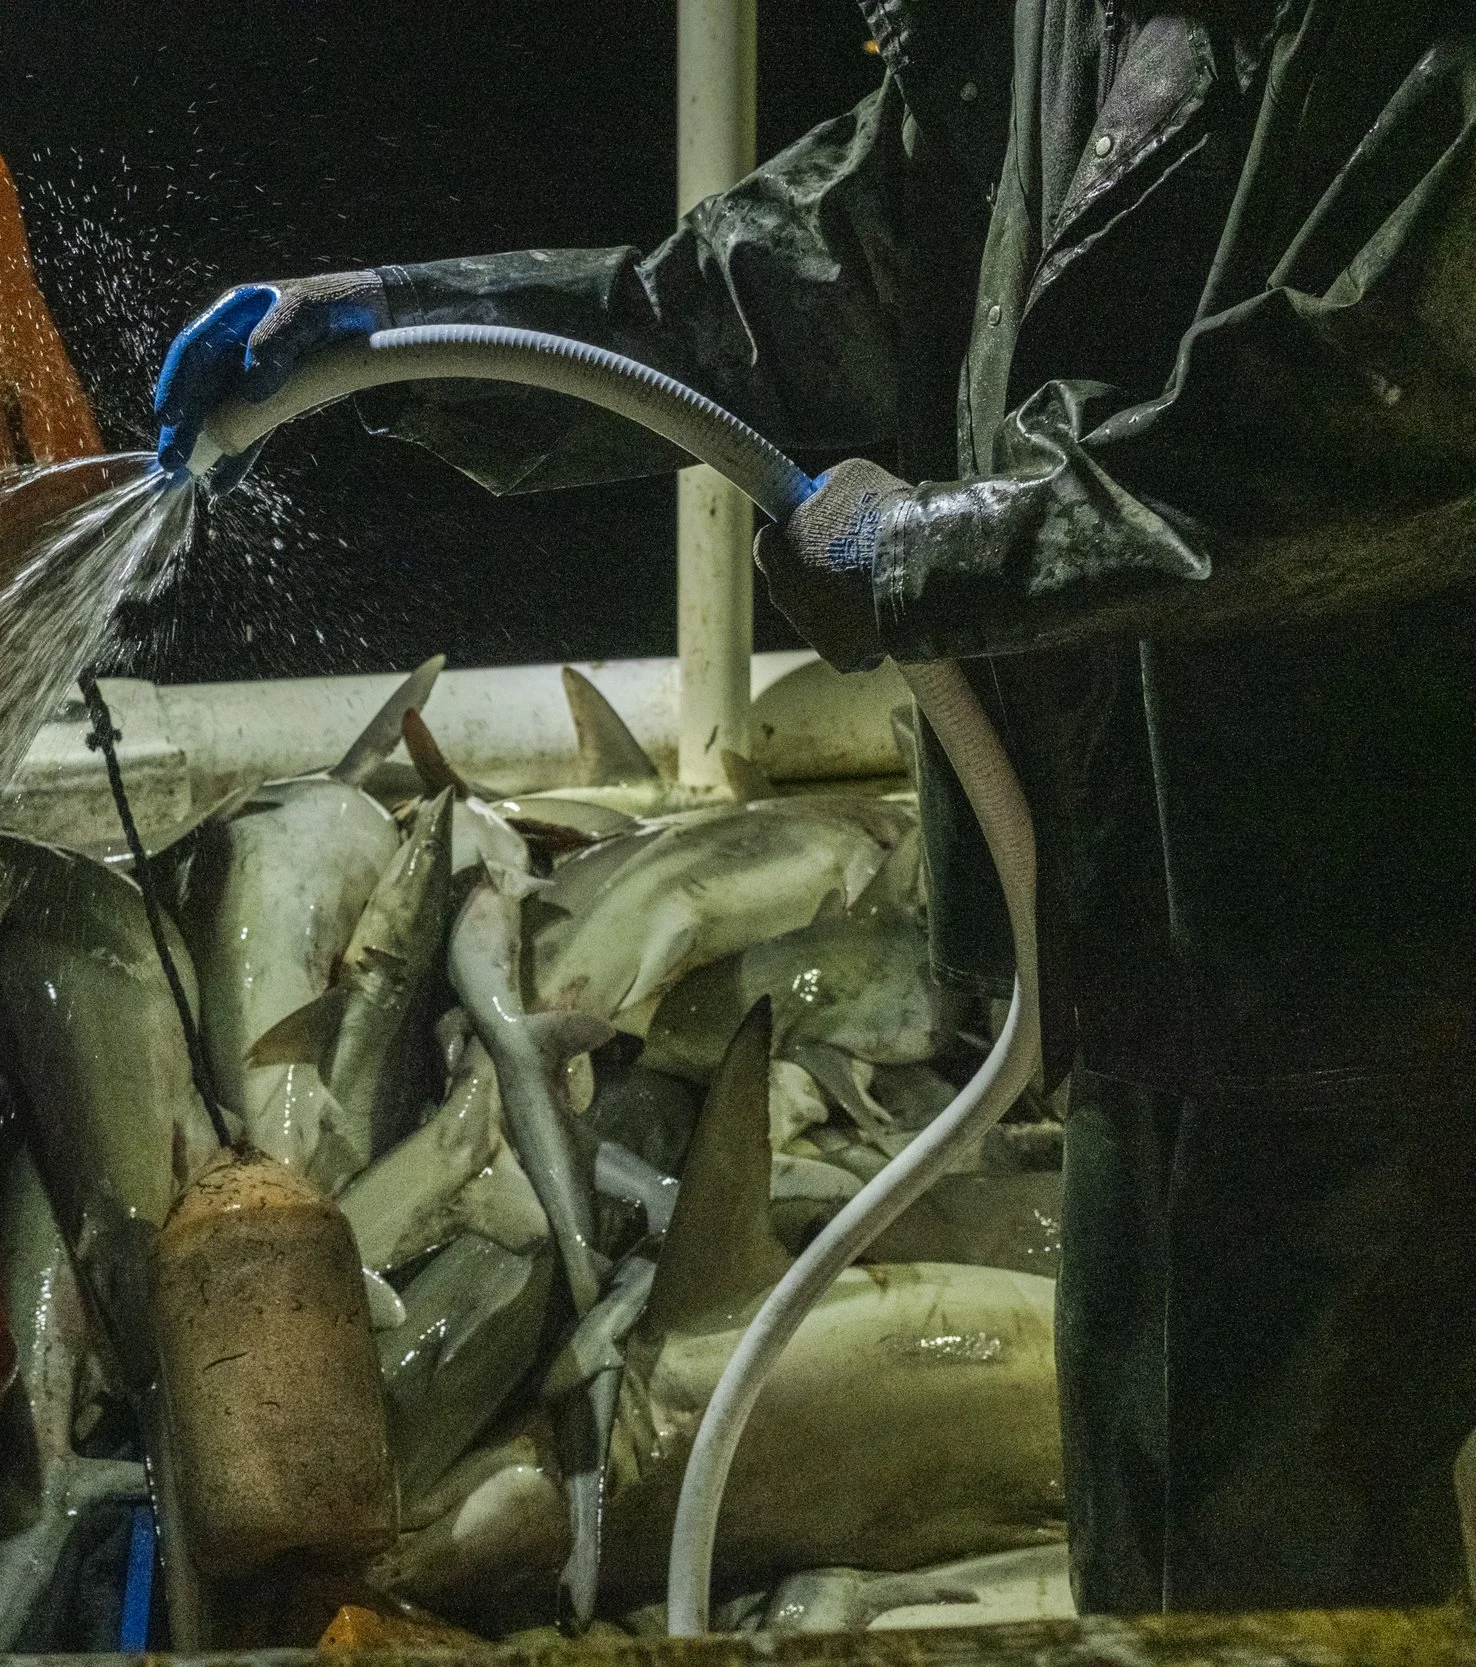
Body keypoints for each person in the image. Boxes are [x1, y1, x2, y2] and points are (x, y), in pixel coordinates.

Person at [151, 1, 1476, 1616]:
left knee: (1300, 1557)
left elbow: (1381, 421)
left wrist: (938, 548)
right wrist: (400, 327)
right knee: (1159, 1520)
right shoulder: (1055, 27)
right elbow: (794, 288)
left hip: (1388, 957)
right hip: (1149, 952)